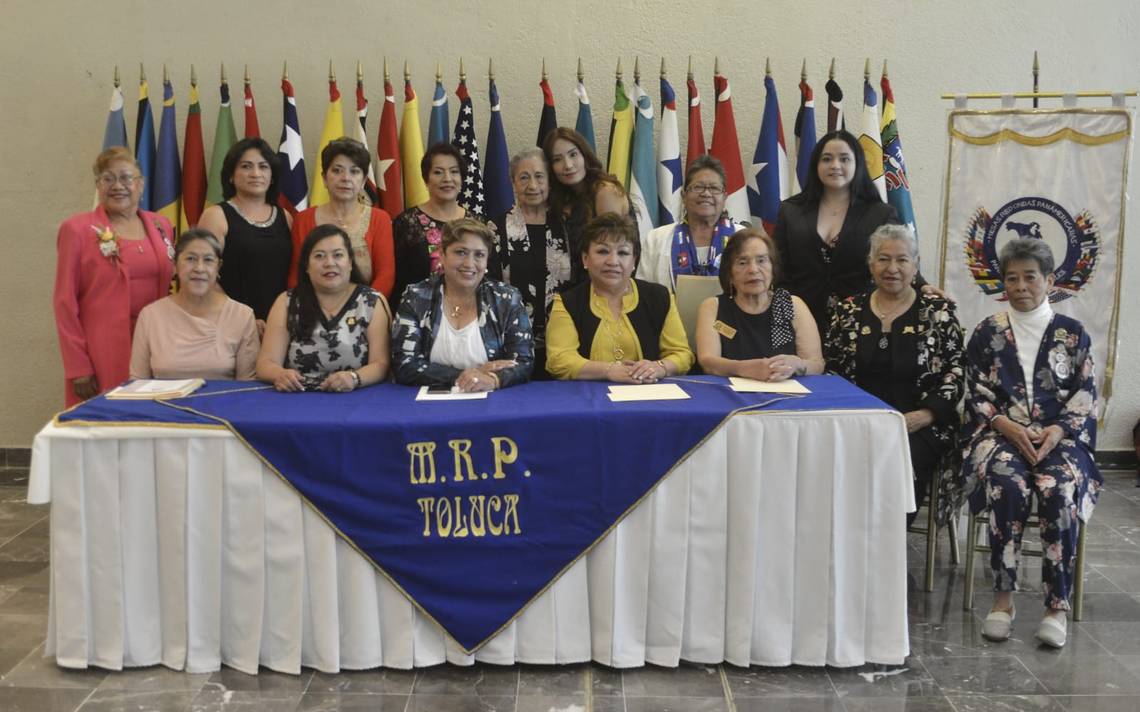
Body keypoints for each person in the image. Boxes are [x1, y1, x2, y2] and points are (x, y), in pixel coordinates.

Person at [962, 237, 1101, 649]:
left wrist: (1056, 431)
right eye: (1012, 278)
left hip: (1061, 439)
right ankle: (1003, 600)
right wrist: (1005, 424)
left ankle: (1055, 606)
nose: (1021, 286)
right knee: (1008, 484)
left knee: (1057, 489)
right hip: (1001, 435)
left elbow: (1085, 395)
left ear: (1049, 280)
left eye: (1030, 277)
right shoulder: (988, 331)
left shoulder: (1072, 335)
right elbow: (975, 392)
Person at [824, 225, 964, 526]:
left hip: (921, 426)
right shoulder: (847, 311)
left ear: (915, 264)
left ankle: (887, 558)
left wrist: (925, 415)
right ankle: (848, 550)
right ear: (871, 264)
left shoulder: (938, 311)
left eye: (902, 260)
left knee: (897, 466)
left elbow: (956, 372)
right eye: (883, 259)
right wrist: (855, 418)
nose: (893, 268)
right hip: (856, 423)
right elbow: (831, 370)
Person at [53, 147, 175, 406]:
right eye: (108, 178)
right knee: (106, 423)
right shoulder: (76, 230)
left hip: (155, 345)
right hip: (102, 349)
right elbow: (64, 302)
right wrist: (77, 366)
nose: (117, 185)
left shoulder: (160, 225)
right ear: (98, 186)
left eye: (126, 178)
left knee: (154, 419)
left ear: (140, 185)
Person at [773, 130, 914, 329]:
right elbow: (777, 267)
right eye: (827, 159)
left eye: (844, 159)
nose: (835, 165)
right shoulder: (790, 211)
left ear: (857, 164)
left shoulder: (880, 214)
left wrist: (923, 286)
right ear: (816, 165)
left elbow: (901, 257)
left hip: (863, 322)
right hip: (799, 320)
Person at [546, 213, 694, 381]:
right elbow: (559, 360)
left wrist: (659, 367)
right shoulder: (567, 302)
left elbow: (682, 354)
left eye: (623, 253)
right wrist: (609, 371)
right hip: (588, 399)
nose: (613, 261)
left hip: (648, 393)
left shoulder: (660, 297)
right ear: (585, 259)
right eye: (603, 251)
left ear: (634, 262)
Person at [392, 218, 533, 391]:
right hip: (430, 408)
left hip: (492, 405)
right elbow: (404, 366)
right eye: (460, 252)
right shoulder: (417, 296)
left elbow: (524, 363)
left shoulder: (506, 298)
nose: (469, 263)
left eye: (479, 255)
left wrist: (494, 380)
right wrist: (471, 374)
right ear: (442, 255)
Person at [257, 224, 390, 392]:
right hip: (298, 397)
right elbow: (266, 363)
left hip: (355, 397)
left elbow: (381, 364)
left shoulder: (372, 302)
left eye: (338, 255)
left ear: (350, 262)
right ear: (306, 266)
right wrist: (279, 374)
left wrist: (354, 378)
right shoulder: (286, 302)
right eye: (319, 256)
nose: (329, 263)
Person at [696, 228, 824, 381]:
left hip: (786, 394)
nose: (753, 269)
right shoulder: (713, 307)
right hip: (729, 396)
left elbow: (817, 364)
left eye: (761, 260)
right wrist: (747, 369)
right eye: (742, 262)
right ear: (729, 273)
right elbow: (708, 362)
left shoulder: (791, 304)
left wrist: (798, 365)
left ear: (773, 268)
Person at [130, 229, 259, 380]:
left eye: (208, 260)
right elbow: (137, 382)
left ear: (219, 267)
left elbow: (248, 387)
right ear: (175, 265)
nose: (199, 268)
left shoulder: (242, 316)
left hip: (224, 403)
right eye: (191, 259)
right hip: (160, 403)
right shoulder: (151, 315)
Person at [489, 147, 572, 377]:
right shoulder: (496, 229)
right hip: (511, 343)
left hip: (564, 343)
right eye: (524, 177)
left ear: (550, 181)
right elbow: (490, 286)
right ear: (513, 183)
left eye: (539, 176)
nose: (532, 185)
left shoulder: (567, 226)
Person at [197, 137, 293, 332]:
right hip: (230, 325)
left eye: (263, 167)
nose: (256, 174)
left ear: (272, 176)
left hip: (281, 326)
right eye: (246, 166)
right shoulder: (216, 216)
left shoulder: (286, 217)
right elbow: (204, 275)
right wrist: (242, 318)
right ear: (231, 175)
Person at [288, 138, 395, 299]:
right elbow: (296, 277)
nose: (346, 178)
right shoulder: (303, 220)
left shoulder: (380, 219)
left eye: (354, 171)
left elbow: (386, 275)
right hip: (313, 312)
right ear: (324, 178)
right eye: (337, 170)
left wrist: (362, 308)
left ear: (364, 180)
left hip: (367, 312)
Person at [392, 143, 485, 311]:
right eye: (438, 172)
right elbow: (397, 282)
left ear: (462, 178)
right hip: (418, 315)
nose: (447, 178)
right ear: (426, 179)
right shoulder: (406, 223)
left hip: (471, 316)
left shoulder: (478, 223)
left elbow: (489, 277)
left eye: (454, 171)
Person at [639, 155, 745, 289]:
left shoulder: (743, 238)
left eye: (714, 188)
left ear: (724, 198)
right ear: (684, 196)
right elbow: (643, 293)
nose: (706, 193)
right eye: (698, 187)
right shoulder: (656, 239)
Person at [543, 127, 631, 284]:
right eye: (557, 159)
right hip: (573, 287)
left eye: (573, 154)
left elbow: (610, 252)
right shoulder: (564, 199)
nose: (568, 165)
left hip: (605, 286)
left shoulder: (605, 191)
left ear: (585, 155)